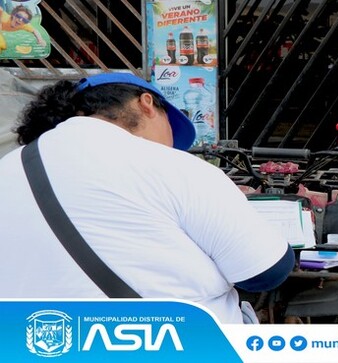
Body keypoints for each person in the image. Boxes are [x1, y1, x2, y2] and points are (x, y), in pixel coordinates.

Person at [0, 72, 295, 324]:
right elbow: (267, 271)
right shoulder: (171, 166)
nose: (171, 145)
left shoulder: (8, 168)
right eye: (171, 129)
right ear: (147, 104)